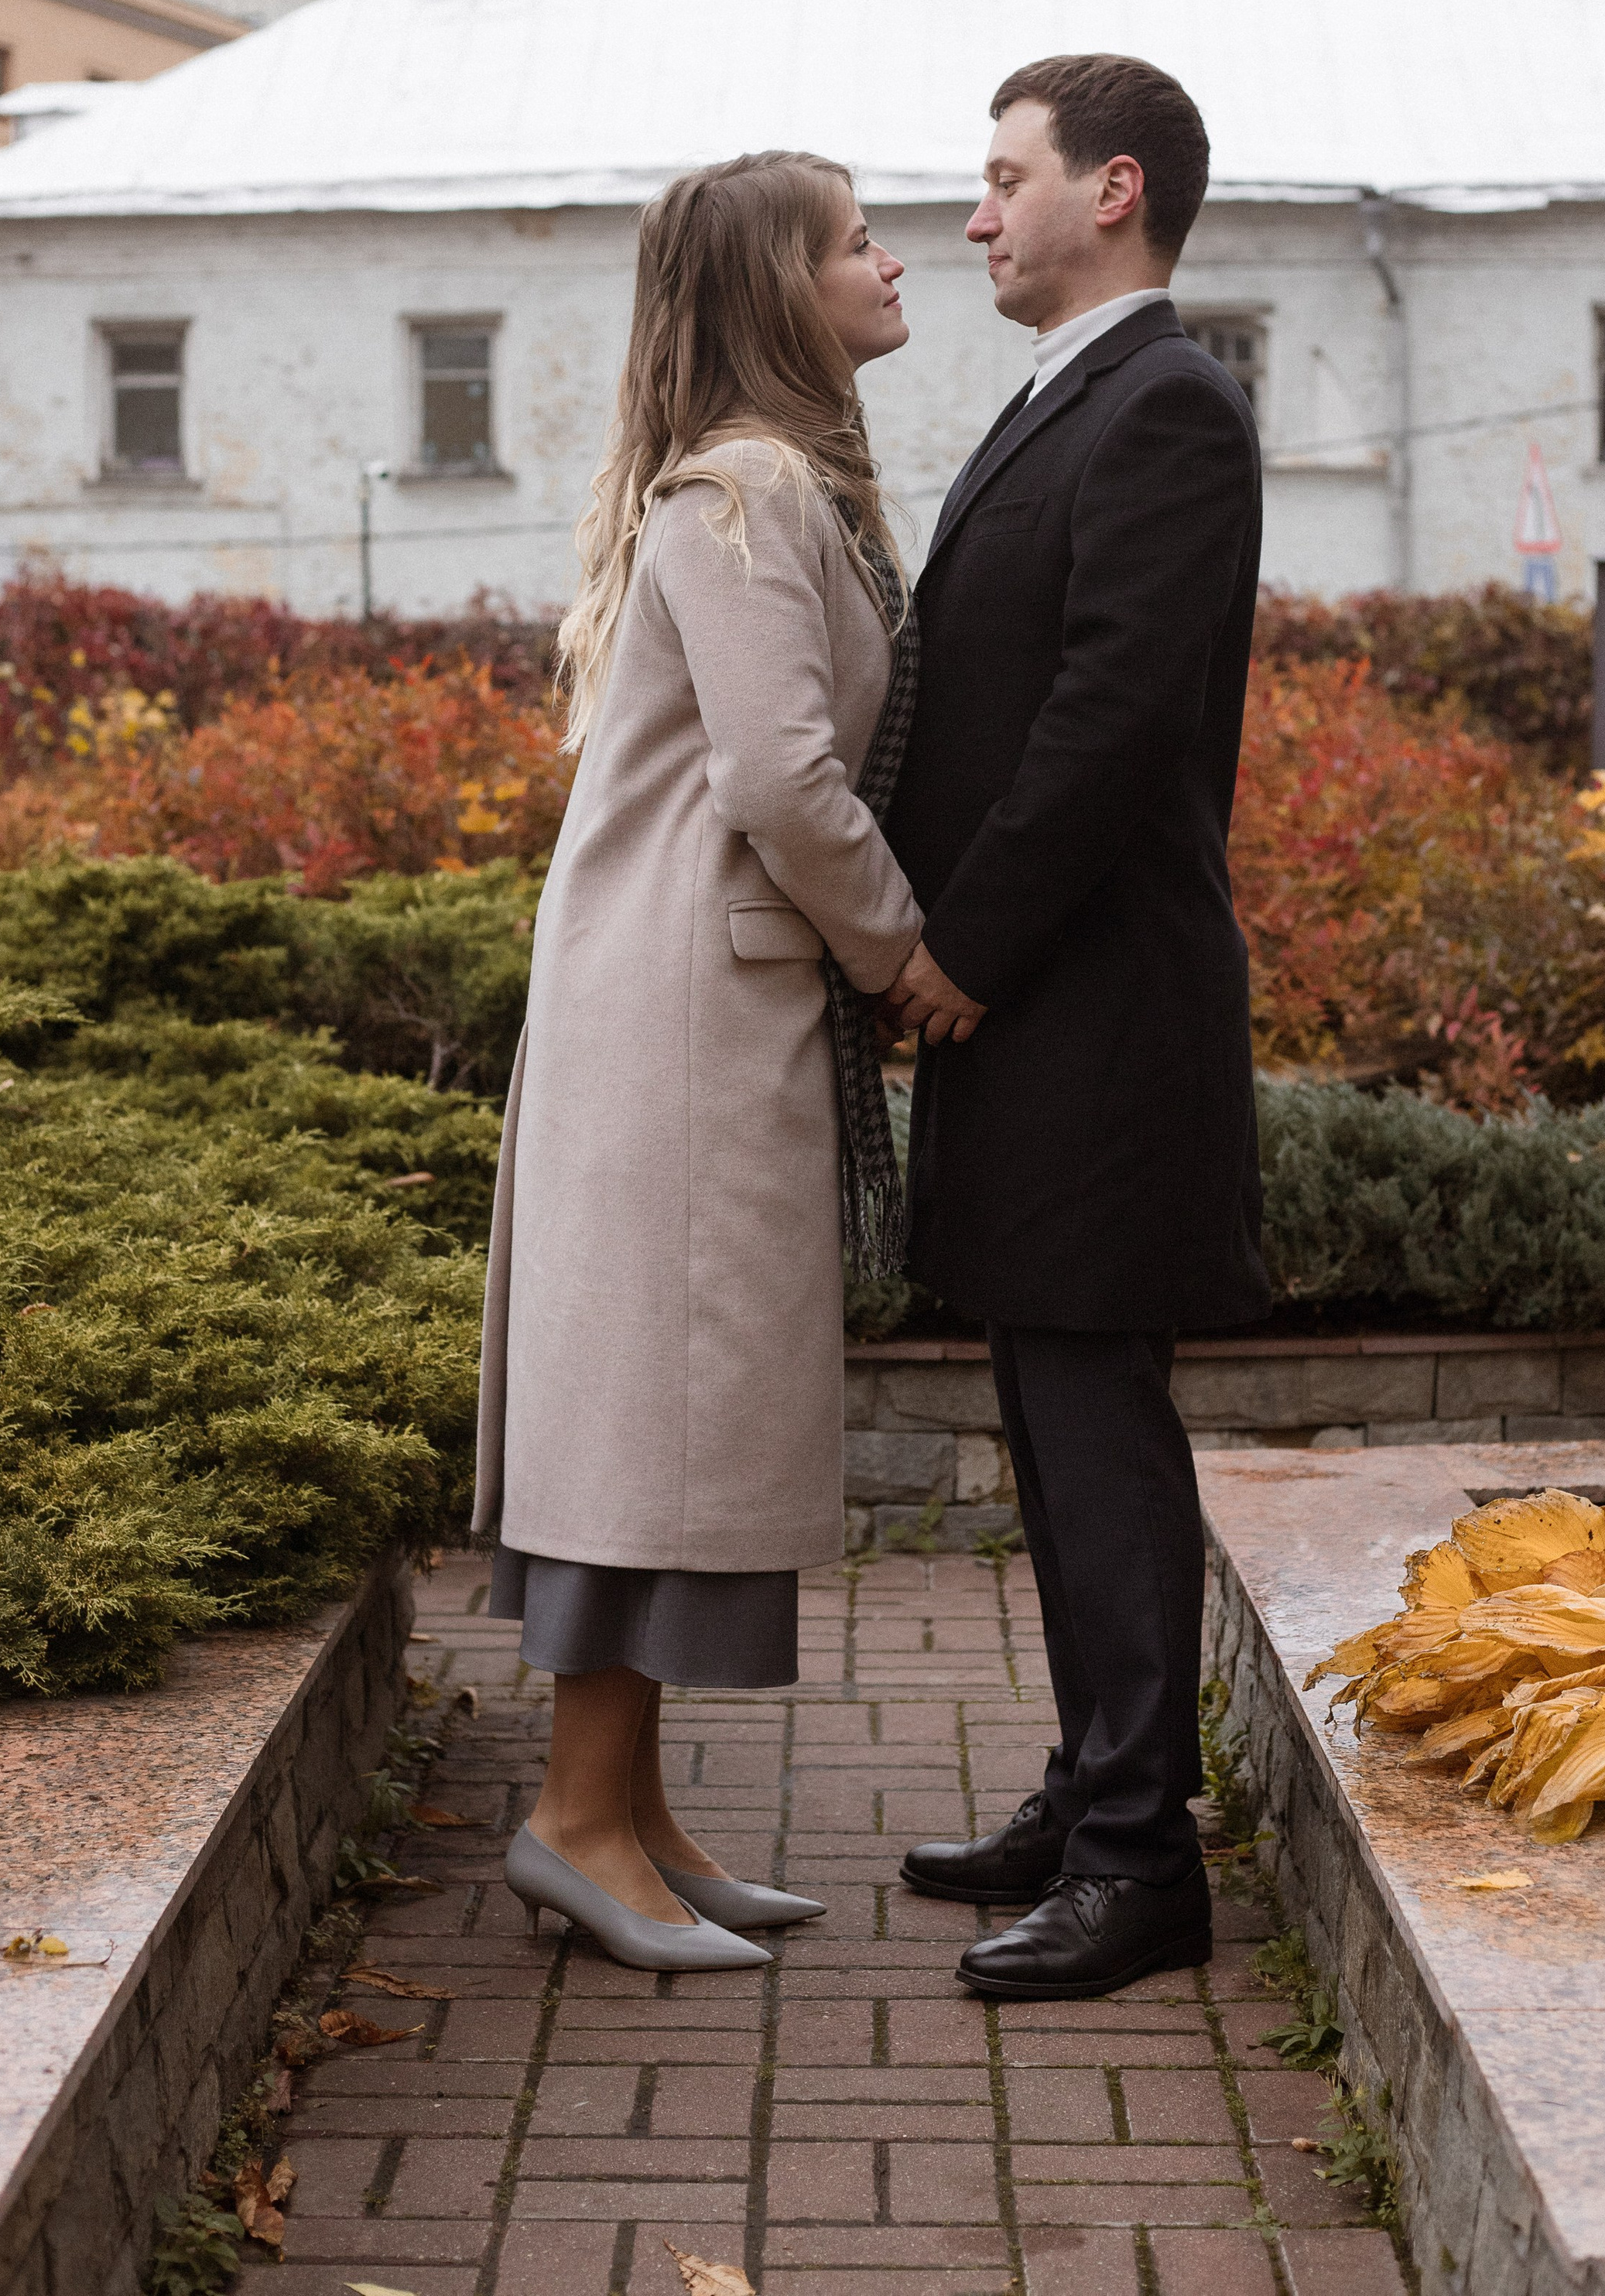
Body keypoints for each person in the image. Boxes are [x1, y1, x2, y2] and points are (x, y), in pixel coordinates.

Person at [473, 150, 923, 1973]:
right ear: (774, 293)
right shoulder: (742, 494)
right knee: (653, 1418)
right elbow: (778, 781)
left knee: (653, 1409)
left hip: (682, 1002)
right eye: (854, 241)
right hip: (684, 1016)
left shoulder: (758, 489)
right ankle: (579, 1825)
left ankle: (630, 1824)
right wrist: (903, 948)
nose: (895, 260)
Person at [883, 52, 1269, 2002]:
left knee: (1099, 1428)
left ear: (1109, 191)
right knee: (1051, 1419)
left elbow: (1108, 720)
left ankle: (1138, 1863)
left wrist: (956, 944)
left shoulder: (1168, 407)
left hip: (1096, 1012)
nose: (972, 214)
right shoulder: (1061, 401)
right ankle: (1087, 1788)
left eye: (1000, 176)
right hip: (1041, 1011)